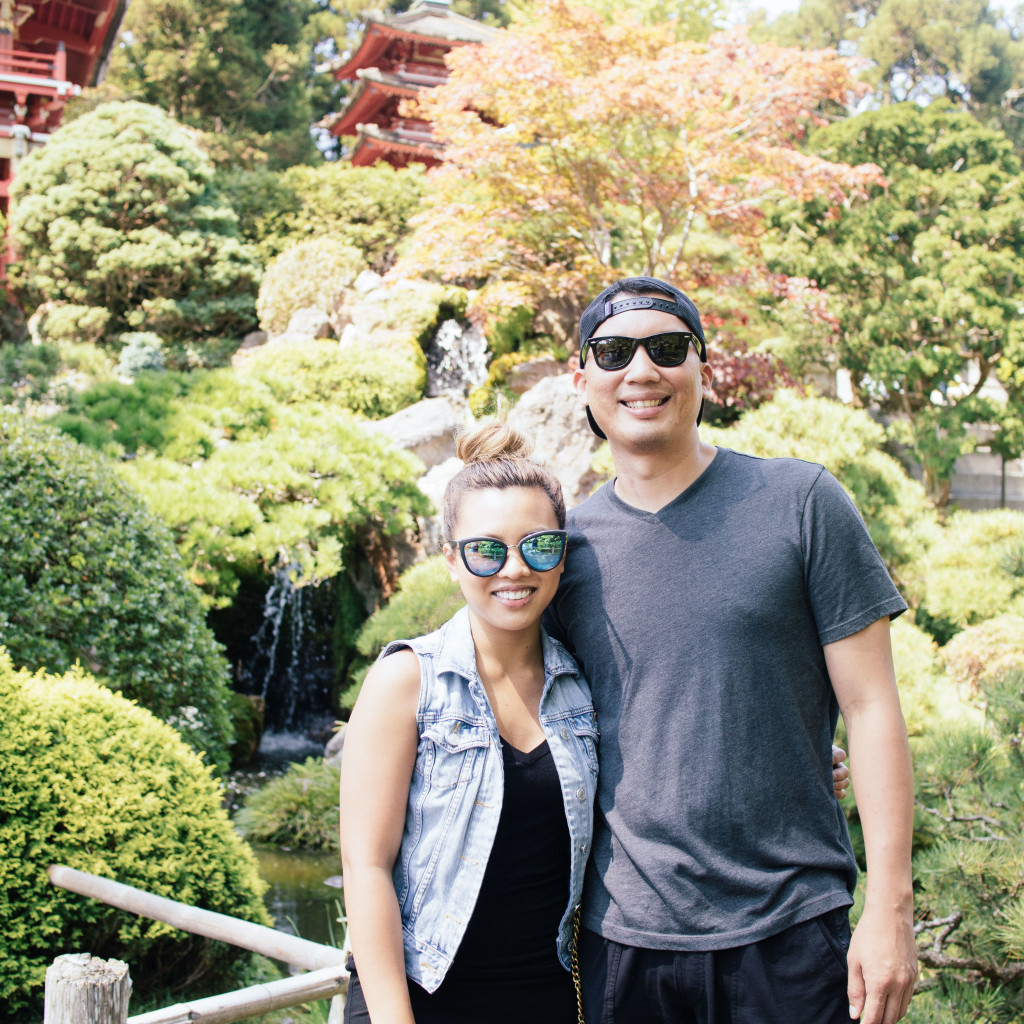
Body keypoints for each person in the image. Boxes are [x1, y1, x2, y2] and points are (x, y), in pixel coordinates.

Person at [544, 277, 918, 1024]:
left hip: (790, 930)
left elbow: (872, 705)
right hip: (622, 940)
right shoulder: (562, 553)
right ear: (582, 380)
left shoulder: (801, 503)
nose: (642, 370)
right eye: (614, 352)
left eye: (668, 347)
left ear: (704, 370)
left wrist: (891, 908)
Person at [339, 415, 598, 1024]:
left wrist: (794, 769)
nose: (514, 570)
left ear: (562, 557)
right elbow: (366, 866)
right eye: (487, 550)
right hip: (422, 996)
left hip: (548, 998)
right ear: (451, 560)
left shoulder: (584, 689)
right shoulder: (407, 680)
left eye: (538, 545)